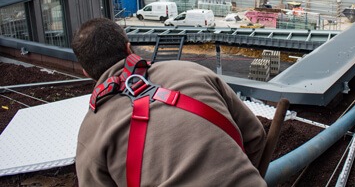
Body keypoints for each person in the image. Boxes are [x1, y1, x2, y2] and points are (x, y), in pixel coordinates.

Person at [71, 18, 267, 186]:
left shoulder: (91, 132)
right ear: (128, 48)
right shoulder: (192, 72)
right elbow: (255, 135)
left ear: (86, 73)